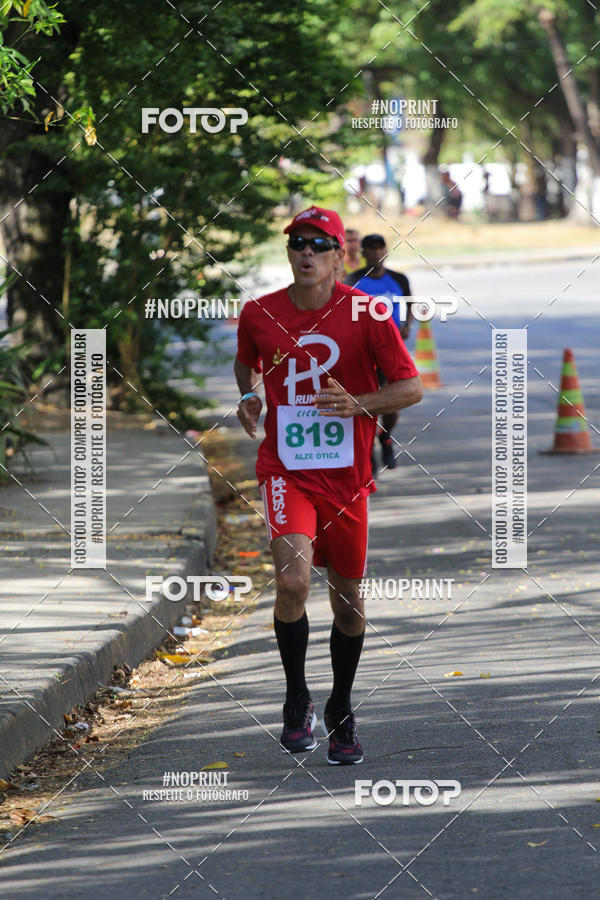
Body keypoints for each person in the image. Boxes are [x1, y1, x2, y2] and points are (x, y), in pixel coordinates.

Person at [235, 207, 422, 764]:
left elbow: (409, 387)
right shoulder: (259, 313)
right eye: (297, 244)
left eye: (319, 244)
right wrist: (250, 397)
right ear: (288, 253)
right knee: (292, 582)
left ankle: (340, 707)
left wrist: (359, 404)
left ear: (340, 255)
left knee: (348, 604)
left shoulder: (368, 313)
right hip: (285, 470)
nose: (306, 253)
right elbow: (246, 364)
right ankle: (297, 699)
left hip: (347, 478)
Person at [345, 234, 414, 475]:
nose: (376, 252)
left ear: (385, 250)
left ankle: (386, 438)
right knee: (368, 402)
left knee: (391, 402)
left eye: (380, 247)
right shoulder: (353, 280)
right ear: (363, 253)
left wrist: (406, 325)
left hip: (391, 350)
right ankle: (369, 453)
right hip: (361, 352)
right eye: (371, 249)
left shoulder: (398, 279)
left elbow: (410, 303)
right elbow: (342, 311)